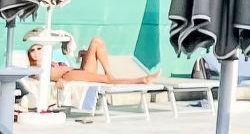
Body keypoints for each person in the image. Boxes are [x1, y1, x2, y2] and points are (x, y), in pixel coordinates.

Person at [27, 37, 158, 85]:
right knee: (107, 80)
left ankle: (108, 72)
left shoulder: (52, 61)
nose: (36, 52)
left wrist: (84, 55)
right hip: (68, 76)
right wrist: (60, 81)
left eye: (39, 48)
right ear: (29, 55)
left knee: (96, 41)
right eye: (32, 50)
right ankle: (142, 80)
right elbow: (38, 77)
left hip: (78, 71)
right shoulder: (34, 69)